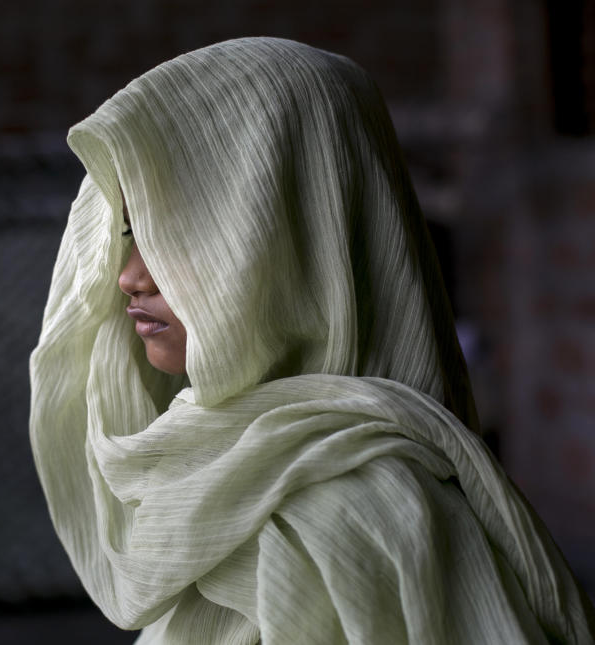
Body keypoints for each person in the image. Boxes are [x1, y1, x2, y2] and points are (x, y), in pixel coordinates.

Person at [29, 37, 595, 644]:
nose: (129, 275)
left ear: (298, 238)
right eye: (129, 231)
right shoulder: (208, 477)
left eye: (181, 232)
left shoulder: (362, 518)